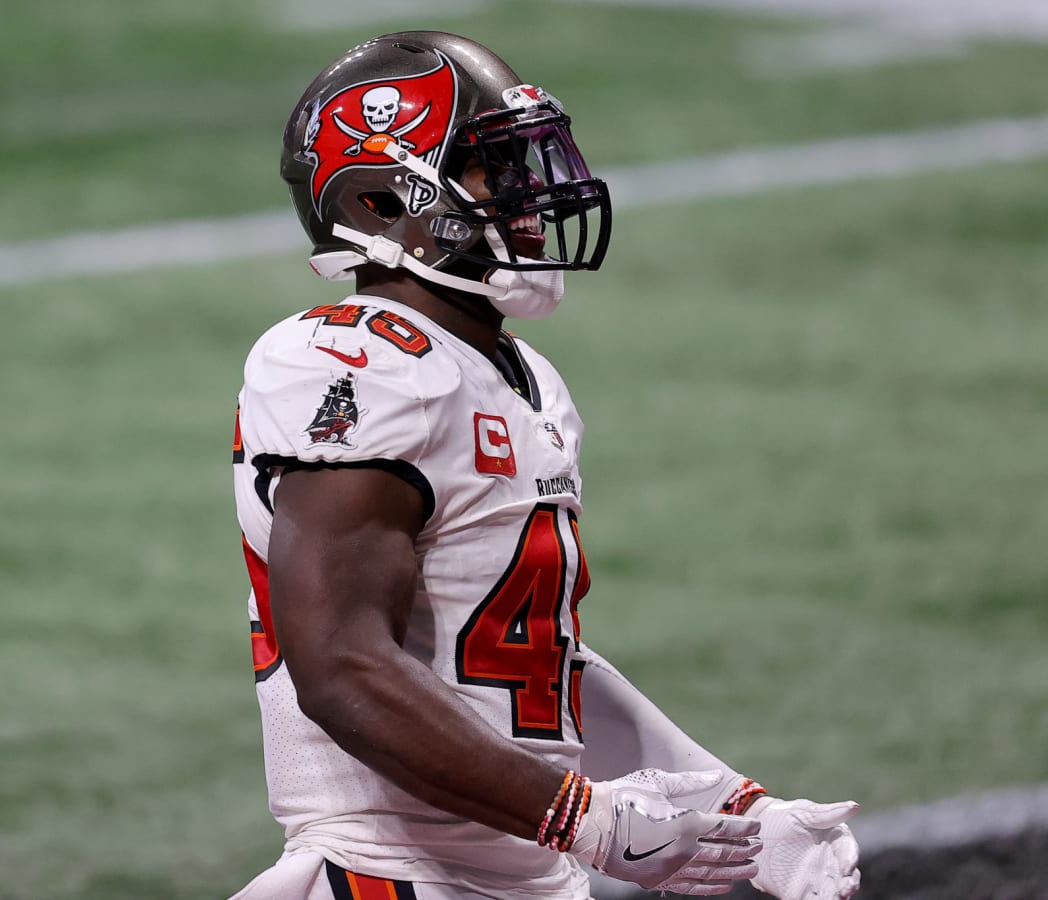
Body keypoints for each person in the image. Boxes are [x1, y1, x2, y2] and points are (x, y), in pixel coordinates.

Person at [231, 31, 861, 900]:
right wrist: (590, 821)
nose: (533, 193)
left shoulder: (519, 379)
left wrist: (741, 810)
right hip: (385, 874)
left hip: (522, 876)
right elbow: (339, 665)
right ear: (384, 201)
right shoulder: (353, 364)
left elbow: (534, 667)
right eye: (496, 167)